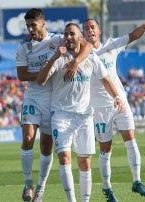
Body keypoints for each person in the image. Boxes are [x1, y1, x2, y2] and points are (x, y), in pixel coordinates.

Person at [37, 23, 123, 202]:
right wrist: (54, 58)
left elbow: (105, 79)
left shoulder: (90, 57)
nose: (68, 37)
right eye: (66, 34)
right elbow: (41, 80)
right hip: (61, 115)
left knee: (85, 162)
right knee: (64, 158)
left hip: (84, 115)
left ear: (79, 37)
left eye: (72, 34)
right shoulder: (58, 57)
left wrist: (117, 96)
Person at [15, 8, 92, 202]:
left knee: (46, 147)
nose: (31, 29)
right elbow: (21, 75)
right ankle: (28, 184)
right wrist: (44, 73)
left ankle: (40, 188)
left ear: (43, 24)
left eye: (34, 24)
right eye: (28, 26)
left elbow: (87, 46)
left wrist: (75, 63)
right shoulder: (23, 46)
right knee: (28, 138)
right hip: (32, 96)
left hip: (51, 99)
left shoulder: (57, 39)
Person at [81, 19, 145, 200]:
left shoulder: (111, 44)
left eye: (92, 27)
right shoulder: (82, 54)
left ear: (98, 30)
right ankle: (107, 189)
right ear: (83, 33)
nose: (89, 30)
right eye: (86, 28)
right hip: (99, 109)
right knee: (106, 149)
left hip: (120, 101)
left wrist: (143, 28)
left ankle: (137, 181)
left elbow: (131, 37)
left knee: (131, 140)